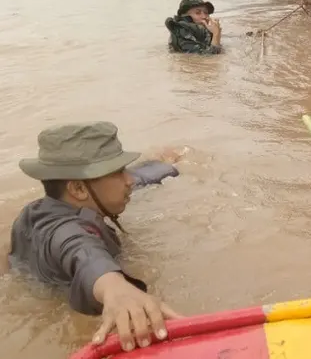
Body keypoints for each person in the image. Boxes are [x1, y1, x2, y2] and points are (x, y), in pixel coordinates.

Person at [6, 122, 183, 352]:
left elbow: (120, 185)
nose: (128, 180)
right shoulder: (67, 231)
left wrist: (163, 165)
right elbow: (81, 251)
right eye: (119, 172)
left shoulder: (36, 211)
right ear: (78, 189)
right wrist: (116, 289)